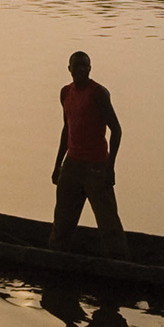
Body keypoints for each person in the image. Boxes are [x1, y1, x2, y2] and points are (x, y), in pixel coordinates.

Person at [50, 50, 129, 258]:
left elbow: (116, 130)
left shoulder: (98, 93)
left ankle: (120, 261)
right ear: (69, 69)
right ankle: (57, 258)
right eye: (77, 66)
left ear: (90, 69)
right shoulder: (65, 93)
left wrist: (110, 168)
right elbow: (67, 129)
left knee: (108, 221)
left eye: (85, 66)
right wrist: (58, 165)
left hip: (96, 166)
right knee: (62, 220)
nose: (81, 70)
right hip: (72, 163)